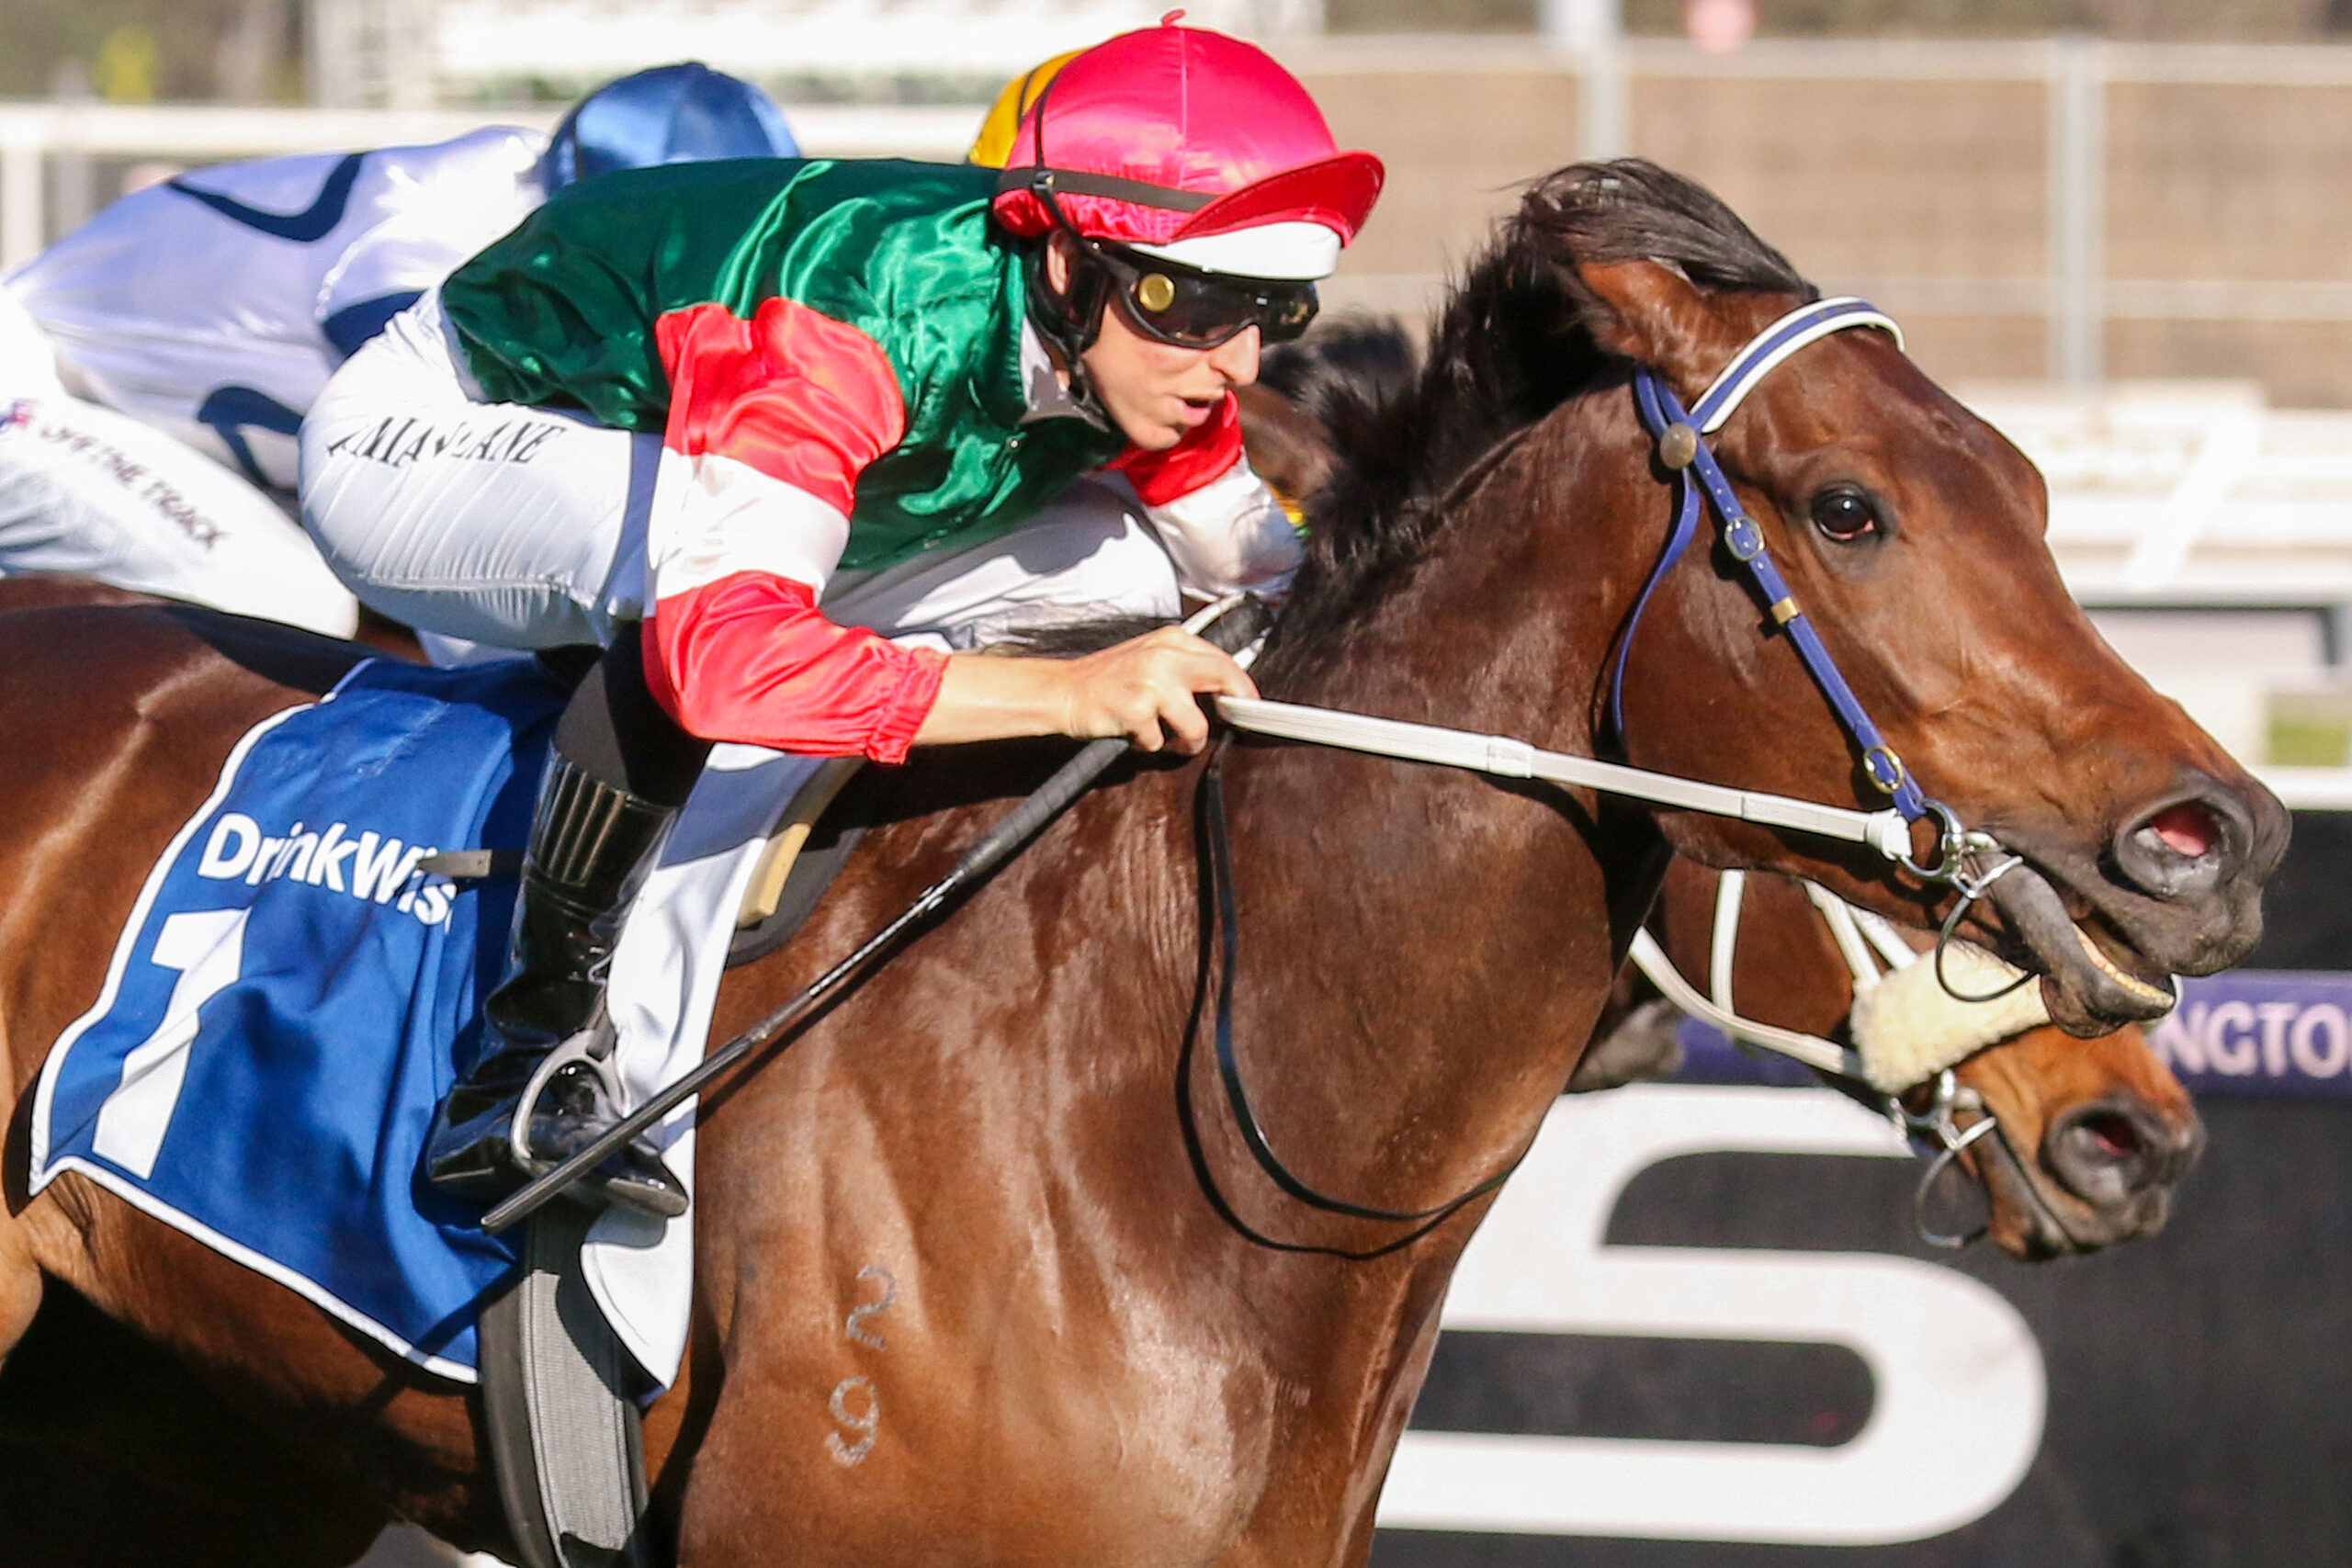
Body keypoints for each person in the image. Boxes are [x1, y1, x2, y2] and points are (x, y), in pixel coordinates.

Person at [298, 19, 1384, 1216]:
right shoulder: (852, 322)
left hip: (709, 439)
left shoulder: (1144, 352)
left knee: (1122, 569)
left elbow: (1270, 577)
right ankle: (525, 1054)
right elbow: (721, 660)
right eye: (1193, 303)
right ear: (1066, 263)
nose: (1236, 364)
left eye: (1274, 311)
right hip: (434, 437)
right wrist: (1068, 690)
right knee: (694, 582)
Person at [0, 63, 796, 638]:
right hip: (31, 383)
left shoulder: (539, 200)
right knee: (289, 603)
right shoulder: (452, 225)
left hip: (115, 415)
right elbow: (453, 479)